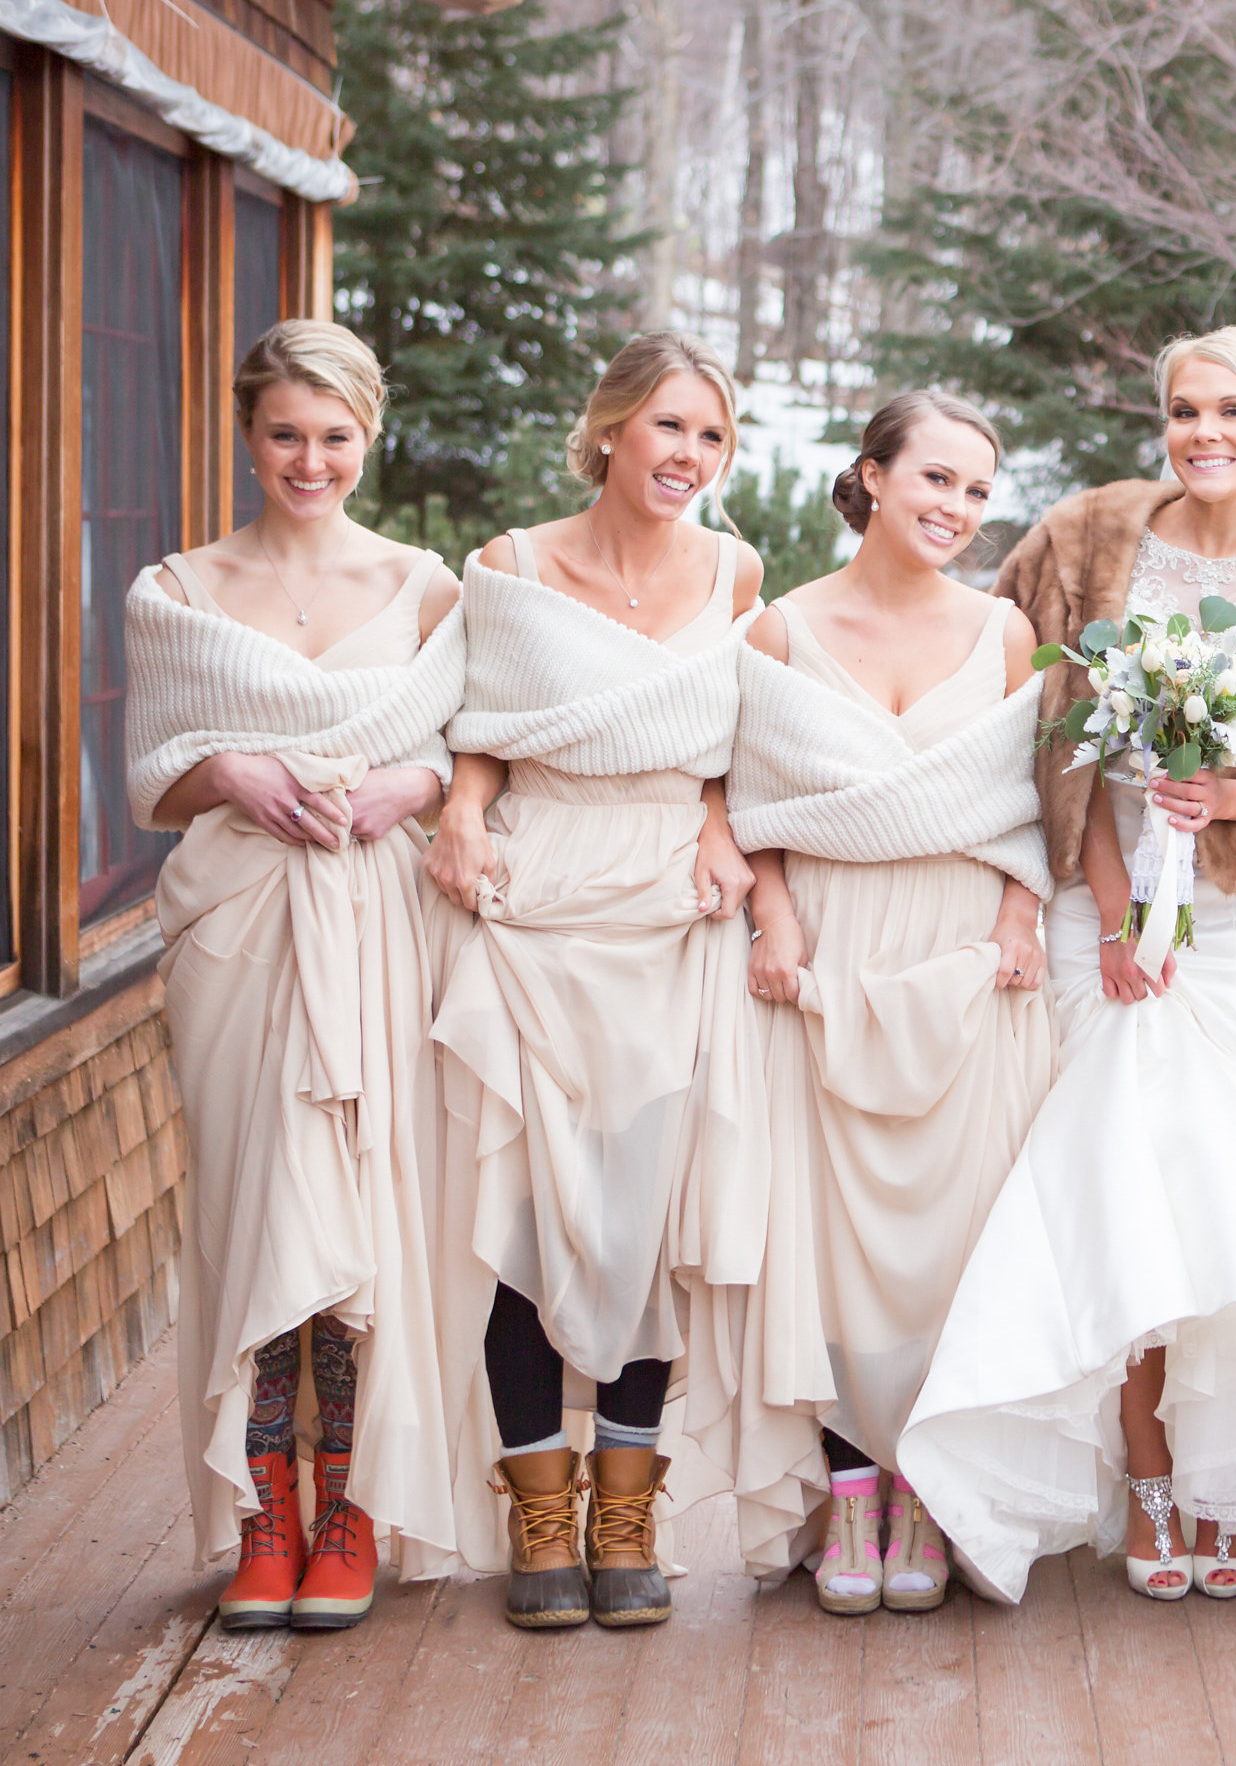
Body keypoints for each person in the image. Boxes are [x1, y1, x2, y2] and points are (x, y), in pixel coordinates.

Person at [902, 329, 1236, 1606]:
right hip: (1101, 909)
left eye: (1233, 410)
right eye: (1185, 409)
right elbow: (1042, 720)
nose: (1204, 432)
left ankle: (1223, 1472)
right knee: (1117, 1182)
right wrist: (1123, 905)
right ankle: (1144, 1469)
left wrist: (1234, 794)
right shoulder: (1085, 534)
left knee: (1221, 1188)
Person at [123, 320, 464, 1632]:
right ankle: (264, 1509)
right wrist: (225, 769)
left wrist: (411, 785)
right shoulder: (177, 590)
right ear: (247, 433)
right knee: (253, 1202)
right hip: (241, 927)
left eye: (333, 437)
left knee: (367, 1206)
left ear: (367, 437)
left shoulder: (426, 590)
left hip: (374, 921)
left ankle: (354, 1505)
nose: (308, 460)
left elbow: (469, 752)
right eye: (284, 434)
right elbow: (155, 768)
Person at [423, 332, 763, 1631]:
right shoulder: (510, 565)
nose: (688, 455)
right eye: (669, 425)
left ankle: (628, 1511)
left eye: (711, 436)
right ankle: (538, 1512)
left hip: (671, 904)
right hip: (540, 892)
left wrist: (720, 828)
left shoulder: (736, 571)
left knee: (645, 1217)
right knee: (522, 1210)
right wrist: (463, 811)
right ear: (612, 426)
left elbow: (735, 744)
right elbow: (485, 723)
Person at [729, 393, 1055, 1615]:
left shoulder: (1006, 631)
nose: (956, 508)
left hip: (967, 954)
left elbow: (1032, 795)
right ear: (870, 475)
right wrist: (773, 916)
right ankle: (850, 1490)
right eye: (934, 478)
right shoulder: (779, 628)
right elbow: (746, 792)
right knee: (831, 1234)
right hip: (834, 945)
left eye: (976, 490)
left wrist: (1019, 916)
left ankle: (926, 1485)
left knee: (954, 1235)